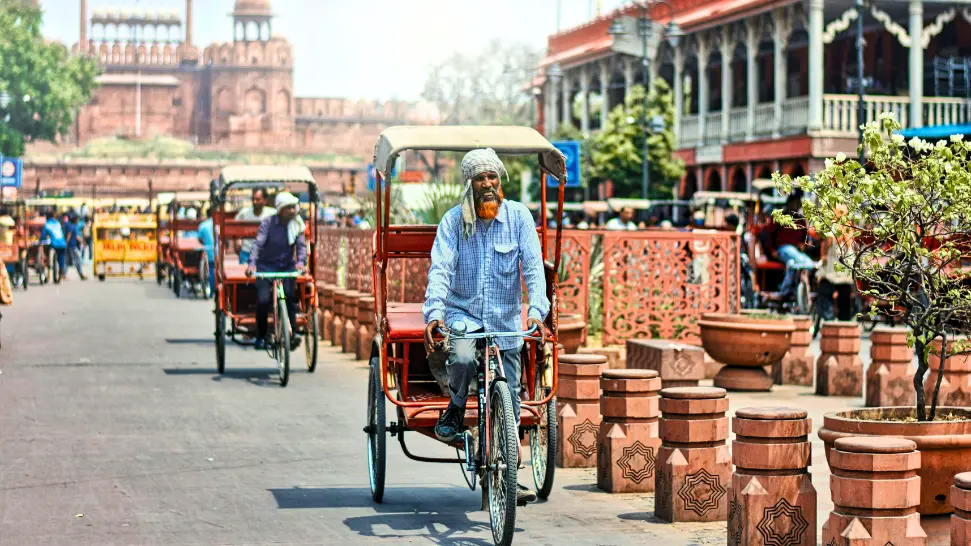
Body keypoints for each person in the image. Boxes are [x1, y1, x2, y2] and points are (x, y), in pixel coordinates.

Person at [422, 148, 548, 506]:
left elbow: (534, 268)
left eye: (492, 177)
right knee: (462, 358)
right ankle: (456, 406)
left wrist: (537, 311)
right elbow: (441, 269)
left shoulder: (519, 217)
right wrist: (434, 313)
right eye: (480, 178)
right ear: (470, 184)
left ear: (500, 180)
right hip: (463, 314)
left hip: (505, 320)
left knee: (510, 397)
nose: (488, 184)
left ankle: (510, 474)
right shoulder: (453, 221)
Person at [245, 192, 306, 352]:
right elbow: (258, 244)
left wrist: (301, 263)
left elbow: (301, 246)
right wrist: (252, 265)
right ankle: (261, 336)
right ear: (280, 209)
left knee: (290, 298)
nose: (292, 211)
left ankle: (292, 333)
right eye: (288, 208)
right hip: (266, 268)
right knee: (263, 300)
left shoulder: (297, 223)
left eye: (293, 207)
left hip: (287, 267)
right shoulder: (268, 223)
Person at [761, 195, 815, 299]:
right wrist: (772, 250)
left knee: (793, 264)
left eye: (798, 204)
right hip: (783, 249)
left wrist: (803, 245)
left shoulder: (801, 219)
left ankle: (786, 292)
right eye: (795, 203)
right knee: (800, 260)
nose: (797, 206)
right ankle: (789, 291)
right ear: (789, 204)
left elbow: (805, 237)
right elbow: (766, 233)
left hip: (796, 251)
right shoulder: (780, 216)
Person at [236, 188, 276, 265]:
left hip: (266, 254)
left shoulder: (272, 213)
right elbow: (235, 227)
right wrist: (238, 241)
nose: (254, 202)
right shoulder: (244, 213)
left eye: (257, 199)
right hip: (247, 252)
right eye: (253, 199)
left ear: (265, 200)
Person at [40, 212, 67, 280]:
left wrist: (41, 239)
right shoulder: (58, 223)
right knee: (61, 258)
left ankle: (49, 268)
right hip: (62, 243)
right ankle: (61, 271)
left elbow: (43, 236)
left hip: (54, 244)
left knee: (48, 255)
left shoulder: (47, 224)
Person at [197, 208, 215, 297]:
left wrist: (205, 243)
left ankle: (212, 292)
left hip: (209, 251)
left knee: (211, 270)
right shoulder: (220, 224)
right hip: (221, 252)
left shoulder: (203, 225)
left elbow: (200, 239)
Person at [65, 213, 87, 280]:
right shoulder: (72, 226)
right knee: (77, 259)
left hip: (70, 246)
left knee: (67, 261)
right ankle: (81, 274)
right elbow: (69, 235)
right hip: (71, 246)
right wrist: (66, 244)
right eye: (77, 219)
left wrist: (82, 241)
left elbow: (75, 236)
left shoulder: (69, 225)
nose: (77, 220)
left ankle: (63, 275)